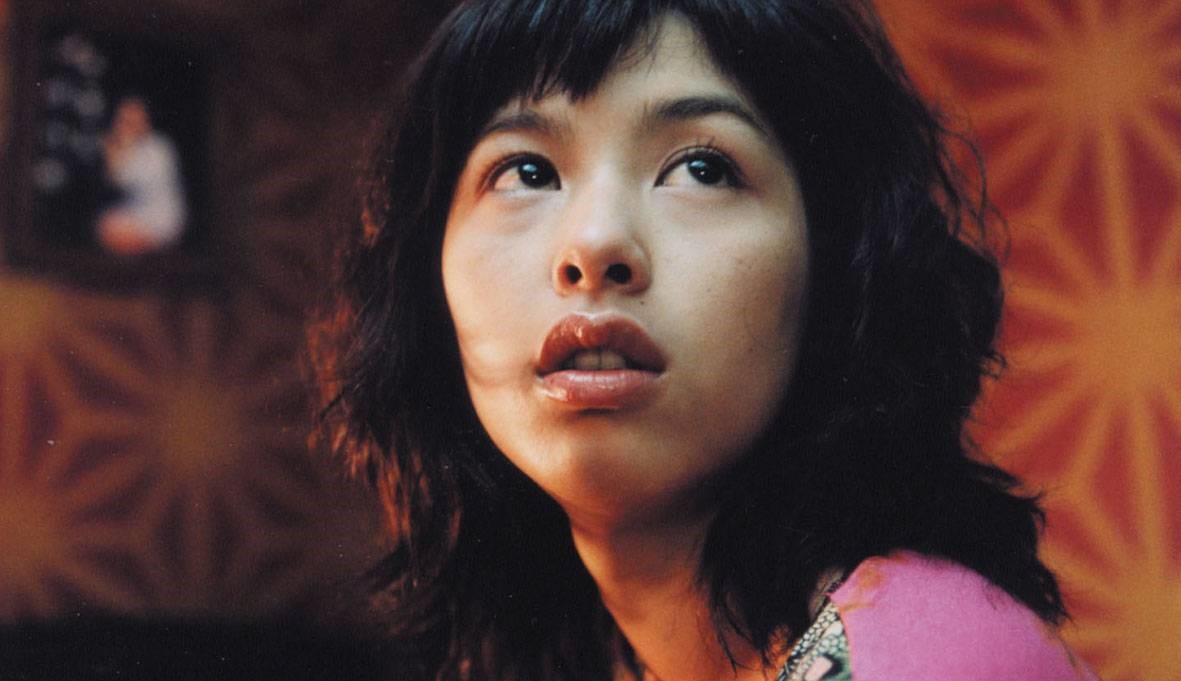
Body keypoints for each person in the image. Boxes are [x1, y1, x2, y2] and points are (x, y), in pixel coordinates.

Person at [312, 1, 1100, 680]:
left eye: (701, 167)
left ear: (836, 265)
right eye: (527, 171)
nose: (595, 243)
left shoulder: (921, 652)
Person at [95, 96, 188, 256]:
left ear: (146, 120)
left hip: (162, 219)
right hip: (139, 212)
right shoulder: (134, 147)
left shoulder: (158, 147)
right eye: (124, 120)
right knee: (104, 223)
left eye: (133, 120)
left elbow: (122, 179)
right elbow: (111, 184)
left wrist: (118, 151)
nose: (127, 125)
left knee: (109, 230)